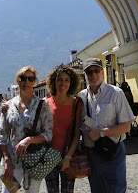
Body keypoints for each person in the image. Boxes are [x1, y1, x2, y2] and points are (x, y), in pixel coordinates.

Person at [77, 58, 134, 193]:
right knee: (97, 189)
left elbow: (126, 126)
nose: (93, 75)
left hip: (113, 151)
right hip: (92, 152)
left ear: (102, 72)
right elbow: (79, 124)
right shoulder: (81, 97)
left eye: (96, 70)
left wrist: (102, 133)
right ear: (85, 75)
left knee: (116, 189)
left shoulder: (116, 93)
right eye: (89, 72)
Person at [0, 66, 53, 193]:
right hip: (12, 160)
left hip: (34, 160)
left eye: (30, 78)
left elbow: (48, 134)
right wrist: (7, 161)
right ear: (18, 81)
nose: (26, 82)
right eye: (23, 78)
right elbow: (1, 137)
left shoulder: (43, 106)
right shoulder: (8, 106)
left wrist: (29, 140)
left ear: (34, 82)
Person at [44, 64, 83, 193]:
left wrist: (68, 157)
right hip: (48, 157)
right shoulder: (46, 103)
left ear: (71, 83)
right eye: (59, 79)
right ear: (53, 81)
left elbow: (77, 134)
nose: (63, 83)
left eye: (67, 80)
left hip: (68, 156)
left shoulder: (76, 103)